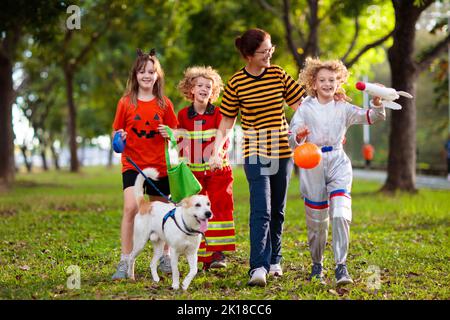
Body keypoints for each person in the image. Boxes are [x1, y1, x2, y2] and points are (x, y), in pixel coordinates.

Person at [209, 28, 307, 287]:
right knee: (261, 209)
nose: (269, 55)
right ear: (249, 55)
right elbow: (226, 123)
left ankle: (275, 260)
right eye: (264, 52)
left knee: (278, 210)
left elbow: (303, 106)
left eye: (271, 49)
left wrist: (332, 104)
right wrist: (217, 149)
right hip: (254, 152)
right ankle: (258, 267)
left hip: (282, 152)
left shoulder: (278, 74)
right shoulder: (236, 83)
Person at [288, 58, 385, 286]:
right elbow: (292, 138)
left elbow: (372, 116)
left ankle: (341, 267)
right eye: (322, 80)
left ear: (338, 81)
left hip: (338, 162)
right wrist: (299, 136)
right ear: (313, 82)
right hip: (312, 164)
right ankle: (317, 265)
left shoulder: (343, 107)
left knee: (341, 213)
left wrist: (378, 101)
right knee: (318, 223)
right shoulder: (305, 108)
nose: (327, 84)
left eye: (332, 80)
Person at [111, 49, 178, 280]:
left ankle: (164, 256)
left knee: (163, 214)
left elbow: (176, 134)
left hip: (159, 166)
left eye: (151, 71)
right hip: (133, 165)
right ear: (135, 75)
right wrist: (120, 138)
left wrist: (169, 132)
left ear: (158, 75)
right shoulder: (125, 103)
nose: (146, 75)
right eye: (142, 72)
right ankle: (125, 260)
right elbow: (116, 133)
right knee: (131, 208)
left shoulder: (164, 104)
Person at [161, 66, 236, 270]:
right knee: (196, 211)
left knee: (219, 208)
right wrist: (170, 134)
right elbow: (179, 138)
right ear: (191, 89)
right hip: (193, 174)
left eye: (208, 86)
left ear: (213, 91)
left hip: (218, 172)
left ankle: (217, 254)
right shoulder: (184, 114)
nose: (204, 89)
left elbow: (225, 137)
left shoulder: (220, 113)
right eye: (200, 85)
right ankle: (202, 256)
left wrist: (216, 156)